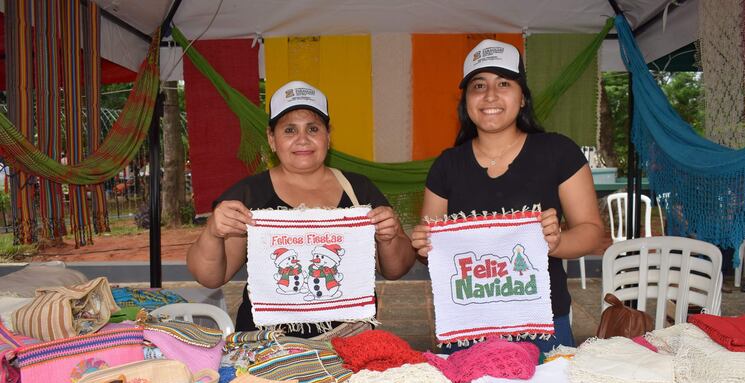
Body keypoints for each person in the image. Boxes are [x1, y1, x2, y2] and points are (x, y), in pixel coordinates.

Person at [410, 39, 604, 353]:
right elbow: (429, 248)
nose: (490, 95)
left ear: (523, 97)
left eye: (504, 83)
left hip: (543, 323)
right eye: (478, 85)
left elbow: (591, 232)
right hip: (467, 325)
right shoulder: (447, 165)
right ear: (466, 100)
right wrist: (423, 245)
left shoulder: (558, 152)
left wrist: (557, 242)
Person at [187, 80, 415, 333]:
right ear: (272, 139)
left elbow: (396, 269)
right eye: (289, 130)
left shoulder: (359, 190)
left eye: (313, 129)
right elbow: (210, 277)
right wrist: (212, 232)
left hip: (349, 342)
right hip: (269, 348)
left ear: (328, 136)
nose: (302, 139)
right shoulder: (248, 195)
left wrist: (389, 237)